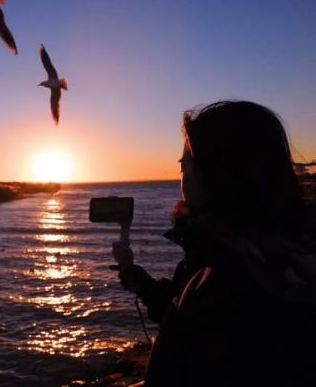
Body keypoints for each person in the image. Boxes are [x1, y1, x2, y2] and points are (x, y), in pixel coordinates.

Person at [116, 101, 316, 386]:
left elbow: (194, 331)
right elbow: (183, 313)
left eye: (184, 166)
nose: (181, 178)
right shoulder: (279, 256)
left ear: (216, 174)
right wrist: (140, 282)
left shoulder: (229, 283)